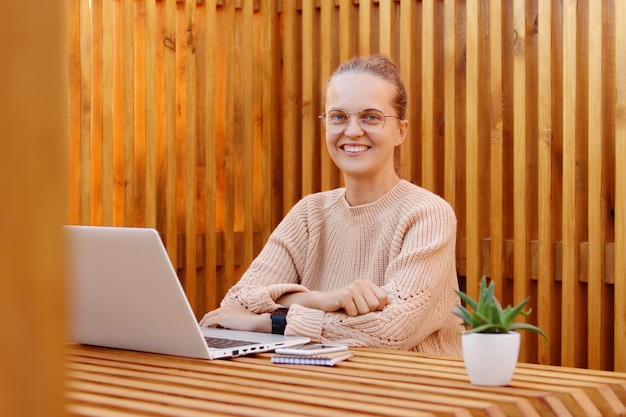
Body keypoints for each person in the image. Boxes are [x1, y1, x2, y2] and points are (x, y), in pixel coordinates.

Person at [200, 54, 463, 356]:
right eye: (338, 117)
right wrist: (323, 299)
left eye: (371, 117)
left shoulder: (427, 214)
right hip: (321, 386)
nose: (352, 131)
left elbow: (390, 331)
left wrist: (272, 322)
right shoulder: (309, 213)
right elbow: (237, 301)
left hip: (415, 391)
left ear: (400, 131)